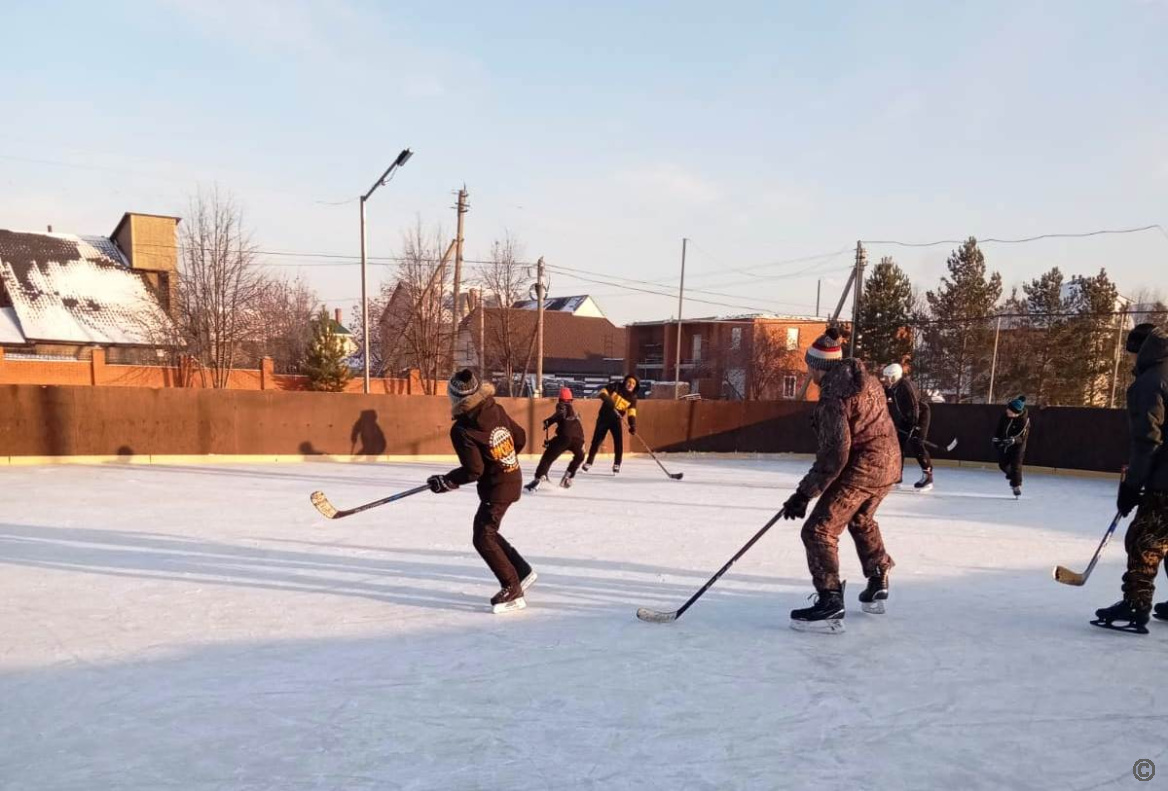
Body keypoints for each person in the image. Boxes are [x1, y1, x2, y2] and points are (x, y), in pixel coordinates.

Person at [781, 328, 902, 633]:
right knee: (861, 519)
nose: (809, 371)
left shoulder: (834, 397)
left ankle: (830, 601)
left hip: (864, 467)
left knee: (819, 530)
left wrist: (803, 494)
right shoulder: (867, 380)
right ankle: (877, 580)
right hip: (889, 464)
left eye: (810, 366)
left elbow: (835, 456)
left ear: (819, 366)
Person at [427, 369, 536, 614]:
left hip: (496, 488)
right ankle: (522, 571)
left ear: (454, 398)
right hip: (512, 477)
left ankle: (512, 587)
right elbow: (519, 437)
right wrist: (503, 458)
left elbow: (473, 470)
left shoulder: (463, 429)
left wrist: (446, 481)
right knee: (489, 530)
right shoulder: (495, 409)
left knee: (482, 536)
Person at [1093, 324, 1168, 634]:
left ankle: (1136, 604)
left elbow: (1147, 440)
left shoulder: (1151, 382)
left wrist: (1132, 485)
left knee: (1144, 539)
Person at [881, 363, 933, 491]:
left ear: (894, 377)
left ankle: (928, 477)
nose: (885, 380)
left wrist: (915, 426)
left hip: (920, 417)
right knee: (897, 445)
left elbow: (915, 406)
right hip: (906, 418)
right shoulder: (892, 387)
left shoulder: (906, 386)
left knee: (917, 443)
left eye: (888, 377)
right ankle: (897, 477)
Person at [526, 387, 586, 491]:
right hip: (579, 439)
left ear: (560, 399)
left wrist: (548, 422)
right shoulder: (575, 412)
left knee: (547, 457)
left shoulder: (561, 405)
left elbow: (560, 414)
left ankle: (539, 478)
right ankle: (568, 476)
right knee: (579, 457)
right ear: (571, 399)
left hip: (565, 437)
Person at [583, 375, 639, 474]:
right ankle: (589, 462)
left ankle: (617, 464)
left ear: (635, 386)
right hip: (604, 418)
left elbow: (632, 413)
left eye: (633, 383)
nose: (631, 385)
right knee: (596, 441)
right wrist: (608, 400)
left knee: (618, 443)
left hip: (616, 420)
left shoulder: (633, 398)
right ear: (625, 381)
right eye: (629, 382)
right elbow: (602, 392)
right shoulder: (616, 386)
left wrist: (632, 425)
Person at [993, 396, 1031, 498]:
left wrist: (1014, 440)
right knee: (1002, 464)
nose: (1007, 412)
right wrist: (996, 438)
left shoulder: (1024, 421)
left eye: (1010, 411)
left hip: (1018, 445)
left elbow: (1022, 438)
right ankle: (1013, 476)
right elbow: (999, 427)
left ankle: (1016, 486)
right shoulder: (1005, 415)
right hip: (1005, 442)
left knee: (1016, 466)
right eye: (1008, 409)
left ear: (1017, 413)